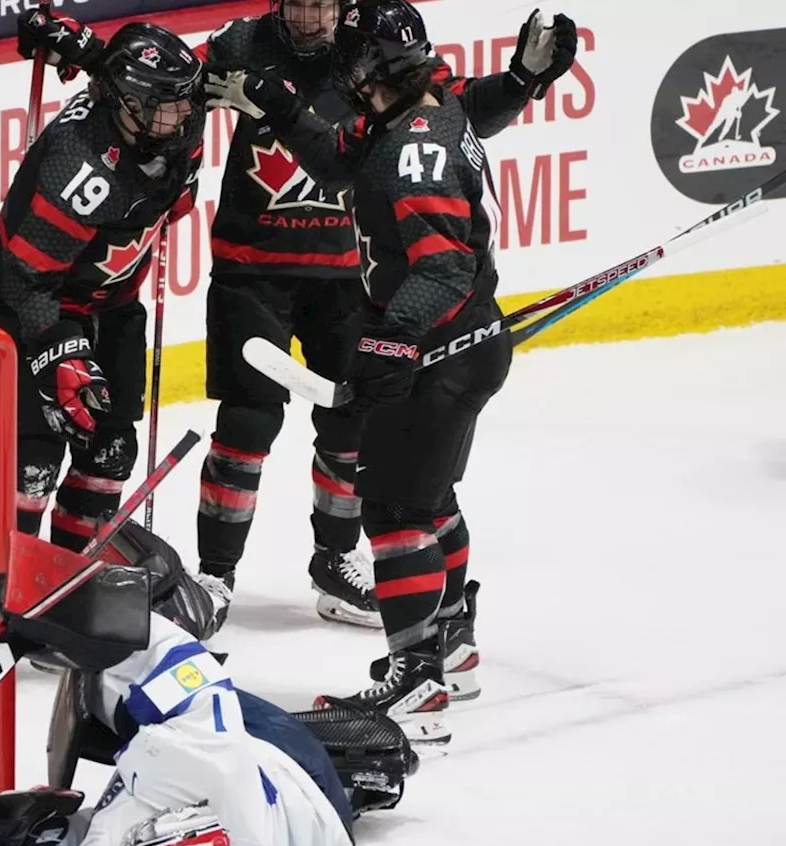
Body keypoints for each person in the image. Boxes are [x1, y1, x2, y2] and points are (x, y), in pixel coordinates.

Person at [17, 2, 552, 633]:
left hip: (348, 274)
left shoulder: (368, 49)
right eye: (297, 4)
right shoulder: (244, 44)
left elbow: (459, 105)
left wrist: (520, 82)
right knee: (246, 422)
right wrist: (88, 53)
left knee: (353, 423)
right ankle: (215, 574)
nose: (309, 19)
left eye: (322, 5)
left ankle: (336, 559)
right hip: (254, 270)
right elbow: (161, 80)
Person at [204, 1, 578, 742]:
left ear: (368, 65)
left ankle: (417, 680)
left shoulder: (414, 144)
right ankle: (454, 645)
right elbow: (343, 161)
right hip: (465, 344)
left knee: (395, 509)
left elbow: (441, 267)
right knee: (431, 496)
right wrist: (279, 102)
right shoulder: (418, 109)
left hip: (441, 349)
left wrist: (393, 339)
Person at [0, 520, 416, 846]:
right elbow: (197, 708)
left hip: (289, 794)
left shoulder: (132, 804)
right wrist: (101, 616)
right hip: (301, 804)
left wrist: (99, 618)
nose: (44, 794)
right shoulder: (176, 770)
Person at [0, 21, 204, 553]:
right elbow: (26, 279)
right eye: (168, 106)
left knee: (111, 451)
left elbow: (208, 67)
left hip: (113, 303)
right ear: (129, 105)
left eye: (184, 102)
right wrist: (59, 353)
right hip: (26, 304)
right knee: (32, 462)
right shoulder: (80, 169)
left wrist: (93, 49)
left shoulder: (169, 119)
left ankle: (72, 583)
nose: (185, 114)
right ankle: (6, 602)